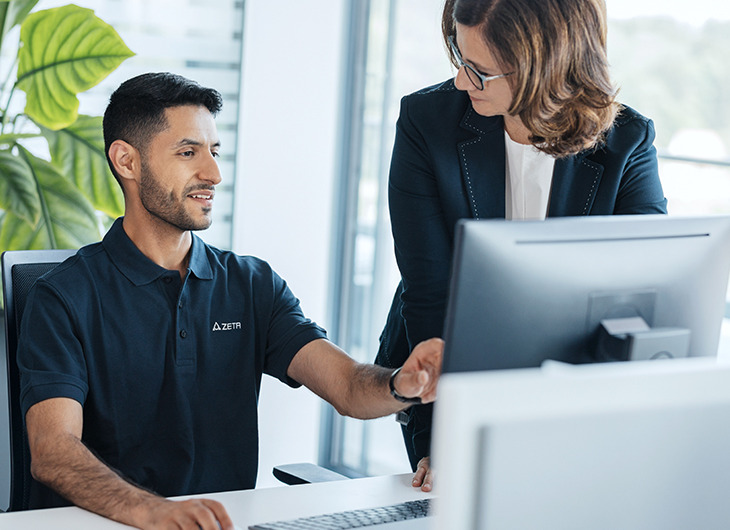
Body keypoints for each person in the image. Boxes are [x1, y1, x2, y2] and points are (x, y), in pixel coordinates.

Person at [17, 72, 443, 530]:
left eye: (214, 153)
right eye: (188, 153)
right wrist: (153, 511)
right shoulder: (61, 297)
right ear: (127, 161)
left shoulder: (251, 284)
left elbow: (347, 387)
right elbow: (53, 452)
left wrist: (403, 384)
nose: (213, 174)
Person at [375, 0, 667, 492]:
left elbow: (639, 299)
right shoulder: (427, 122)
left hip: (576, 391)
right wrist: (440, 440)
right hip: (446, 377)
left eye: (481, 72)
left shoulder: (628, 142)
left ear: (546, 68)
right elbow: (430, 294)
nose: (463, 82)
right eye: (458, 58)